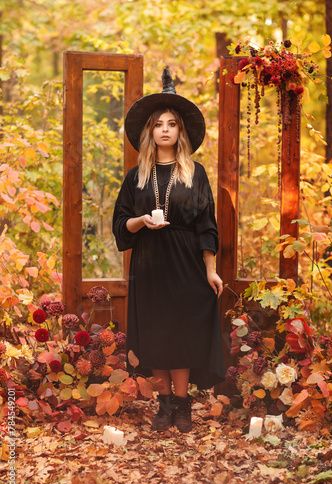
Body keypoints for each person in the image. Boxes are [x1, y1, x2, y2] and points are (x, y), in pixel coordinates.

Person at [112, 66, 225, 433]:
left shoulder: (196, 173)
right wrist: (142, 220)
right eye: (158, 123)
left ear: (180, 131)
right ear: (150, 130)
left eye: (171, 123)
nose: (164, 129)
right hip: (150, 263)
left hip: (187, 262)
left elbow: (206, 224)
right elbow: (122, 224)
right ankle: (164, 403)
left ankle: (183, 402)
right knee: (157, 333)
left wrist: (210, 269)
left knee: (183, 331)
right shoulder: (136, 176)